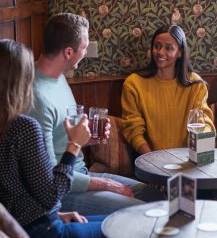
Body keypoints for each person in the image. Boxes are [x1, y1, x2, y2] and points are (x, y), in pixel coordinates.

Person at [0, 39, 136, 238]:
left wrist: (60, 214)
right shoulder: (24, 128)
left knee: (124, 223)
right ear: (20, 80)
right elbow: (51, 194)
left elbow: (14, 193)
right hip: (43, 237)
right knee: (127, 233)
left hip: (32, 226)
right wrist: (74, 145)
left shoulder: (8, 126)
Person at [29, 13, 162, 216]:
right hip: (63, 191)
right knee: (146, 213)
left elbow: (62, 140)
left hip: (80, 173)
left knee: (159, 198)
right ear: (68, 52)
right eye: (84, 47)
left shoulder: (59, 78)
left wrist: (86, 138)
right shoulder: (37, 98)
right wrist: (106, 184)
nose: (85, 51)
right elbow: (49, 176)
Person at [121, 24, 215, 154]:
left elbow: (204, 124)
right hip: (149, 161)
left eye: (169, 48)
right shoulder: (133, 84)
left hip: (187, 162)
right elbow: (133, 130)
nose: (160, 52)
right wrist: (152, 161)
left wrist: (201, 159)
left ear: (180, 52)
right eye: (157, 46)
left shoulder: (196, 85)